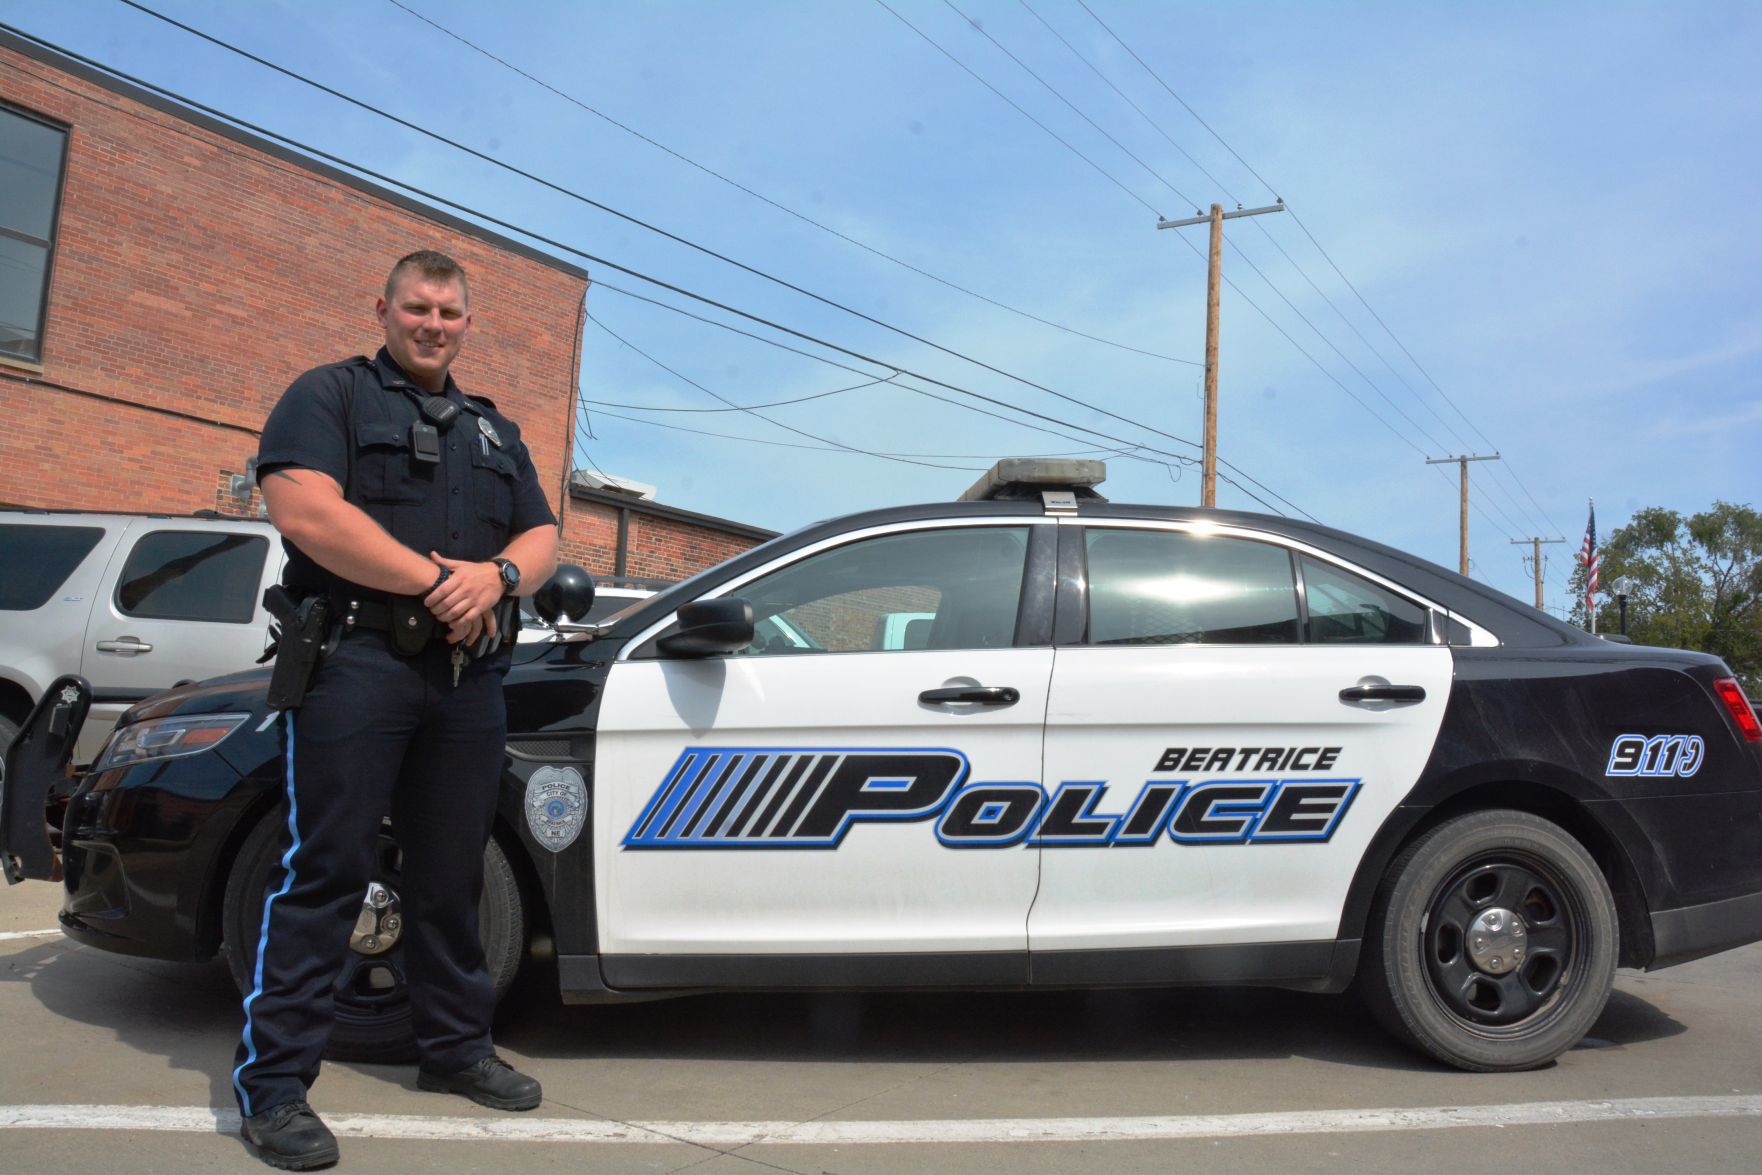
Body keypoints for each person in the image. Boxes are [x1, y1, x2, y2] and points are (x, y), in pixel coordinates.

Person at [235, 250, 559, 1170]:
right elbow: (305, 513)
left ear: (466, 321)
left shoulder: (496, 430)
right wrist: (437, 584)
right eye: (416, 307)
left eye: (449, 312)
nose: (433, 323)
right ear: (382, 308)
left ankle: (455, 1050)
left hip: (467, 678)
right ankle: (275, 1086)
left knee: (451, 874)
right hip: (357, 661)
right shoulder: (327, 395)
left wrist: (496, 578)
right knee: (327, 871)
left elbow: (541, 535)